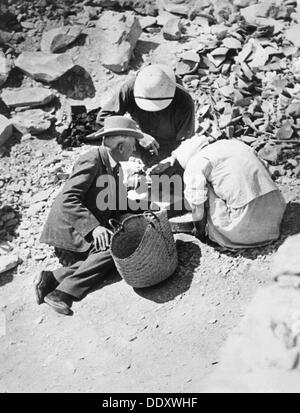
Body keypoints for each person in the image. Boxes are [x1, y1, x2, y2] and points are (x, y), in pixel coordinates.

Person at [36, 116, 143, 316]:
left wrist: (146, 208)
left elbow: (118, 204)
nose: (134, 150)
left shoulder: (115, 168)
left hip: (82, 235)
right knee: (116, 251)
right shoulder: (92, 159)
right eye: (133, 145)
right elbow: (67, 198)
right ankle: (61, 293)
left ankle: (53, 277)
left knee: (120, 256)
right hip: (70, 236)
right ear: (120, 146)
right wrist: (95, 228)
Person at [151, 136, 286, 250]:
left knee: (199, 192)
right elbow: (266, 168)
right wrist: (170, 161)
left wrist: (200, 231)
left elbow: (198, 206)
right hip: (276, 211)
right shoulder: (232, 143)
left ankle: (215, 229)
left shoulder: (195, 163)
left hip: (245, 227)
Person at [95, 64, 195, 166]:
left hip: (168, 148)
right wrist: (139, 135)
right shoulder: (130, 88)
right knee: (111, 140)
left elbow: (187, 143)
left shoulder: (184, 101)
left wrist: (170, 161)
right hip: (136, 140)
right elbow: (103, 118)